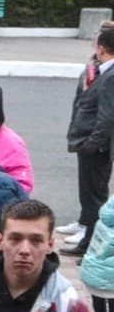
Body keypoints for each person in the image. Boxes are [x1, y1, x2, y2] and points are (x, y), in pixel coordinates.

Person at [63, 25, 114, 258]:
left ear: (101, 47)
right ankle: (88, 243)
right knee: (90, 196)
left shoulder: (110, 77)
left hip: (96, 149)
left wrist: (91, 144)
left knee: (95, 199)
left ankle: (92, 249)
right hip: (90, 145)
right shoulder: (101, 72)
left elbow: (107, 118)